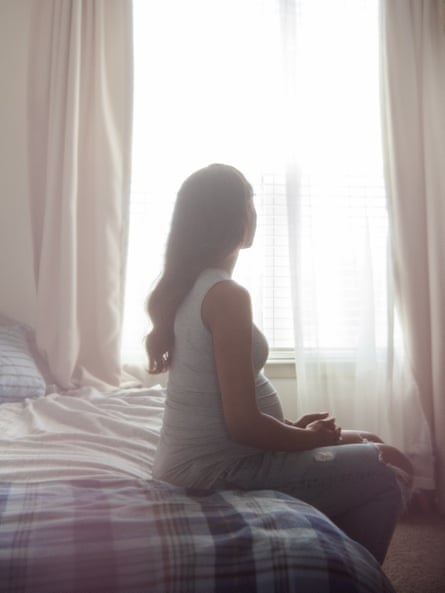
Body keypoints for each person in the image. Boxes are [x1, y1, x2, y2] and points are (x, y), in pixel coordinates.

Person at [146, 163, 412, 564]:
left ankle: (336, 553)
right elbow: (243, 424)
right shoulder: (224, 294)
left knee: (371, 439)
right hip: (215, 473)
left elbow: (226, 403)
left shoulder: (192, 286)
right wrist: (312, 440)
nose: (255, 214)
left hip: (206, 462)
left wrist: (290, 429)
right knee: (389, 463)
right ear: (236, 218)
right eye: (250, 204)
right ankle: (348, 572)